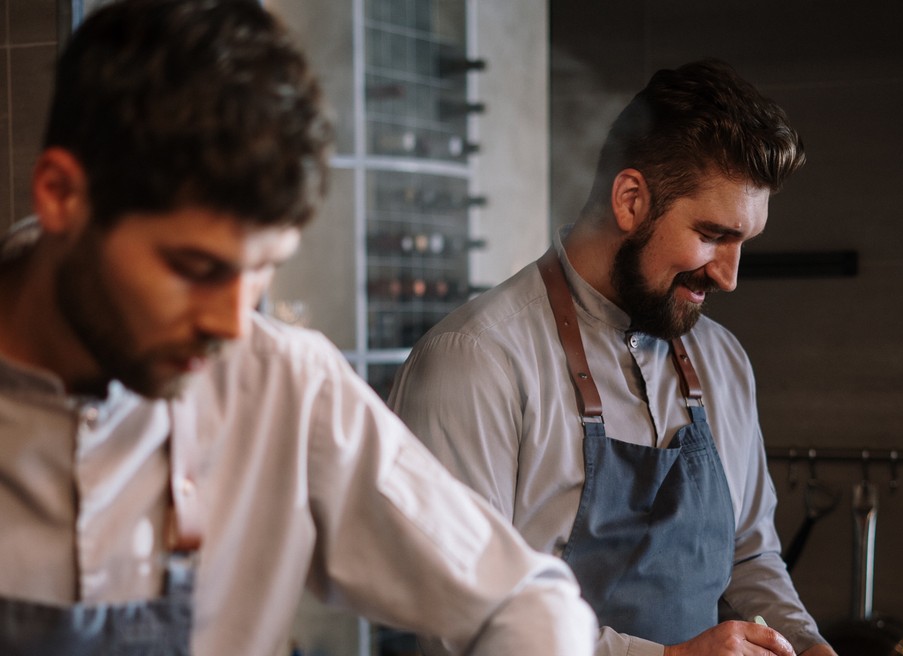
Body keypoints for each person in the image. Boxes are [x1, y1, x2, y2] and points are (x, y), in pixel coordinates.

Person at [0, 1, 598, 654]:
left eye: (261, 271)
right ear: (61, 194)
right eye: (195, 267)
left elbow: (525, 599)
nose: (232, 323)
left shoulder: (283, 383)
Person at [390, 60, 838, 656]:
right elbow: (460, 619)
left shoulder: (722, 360)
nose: (729, 277)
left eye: (742, 243)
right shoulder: (474, 362)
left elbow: (750, 554)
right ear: (630, 200)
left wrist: (804, 645)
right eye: (713, 235)